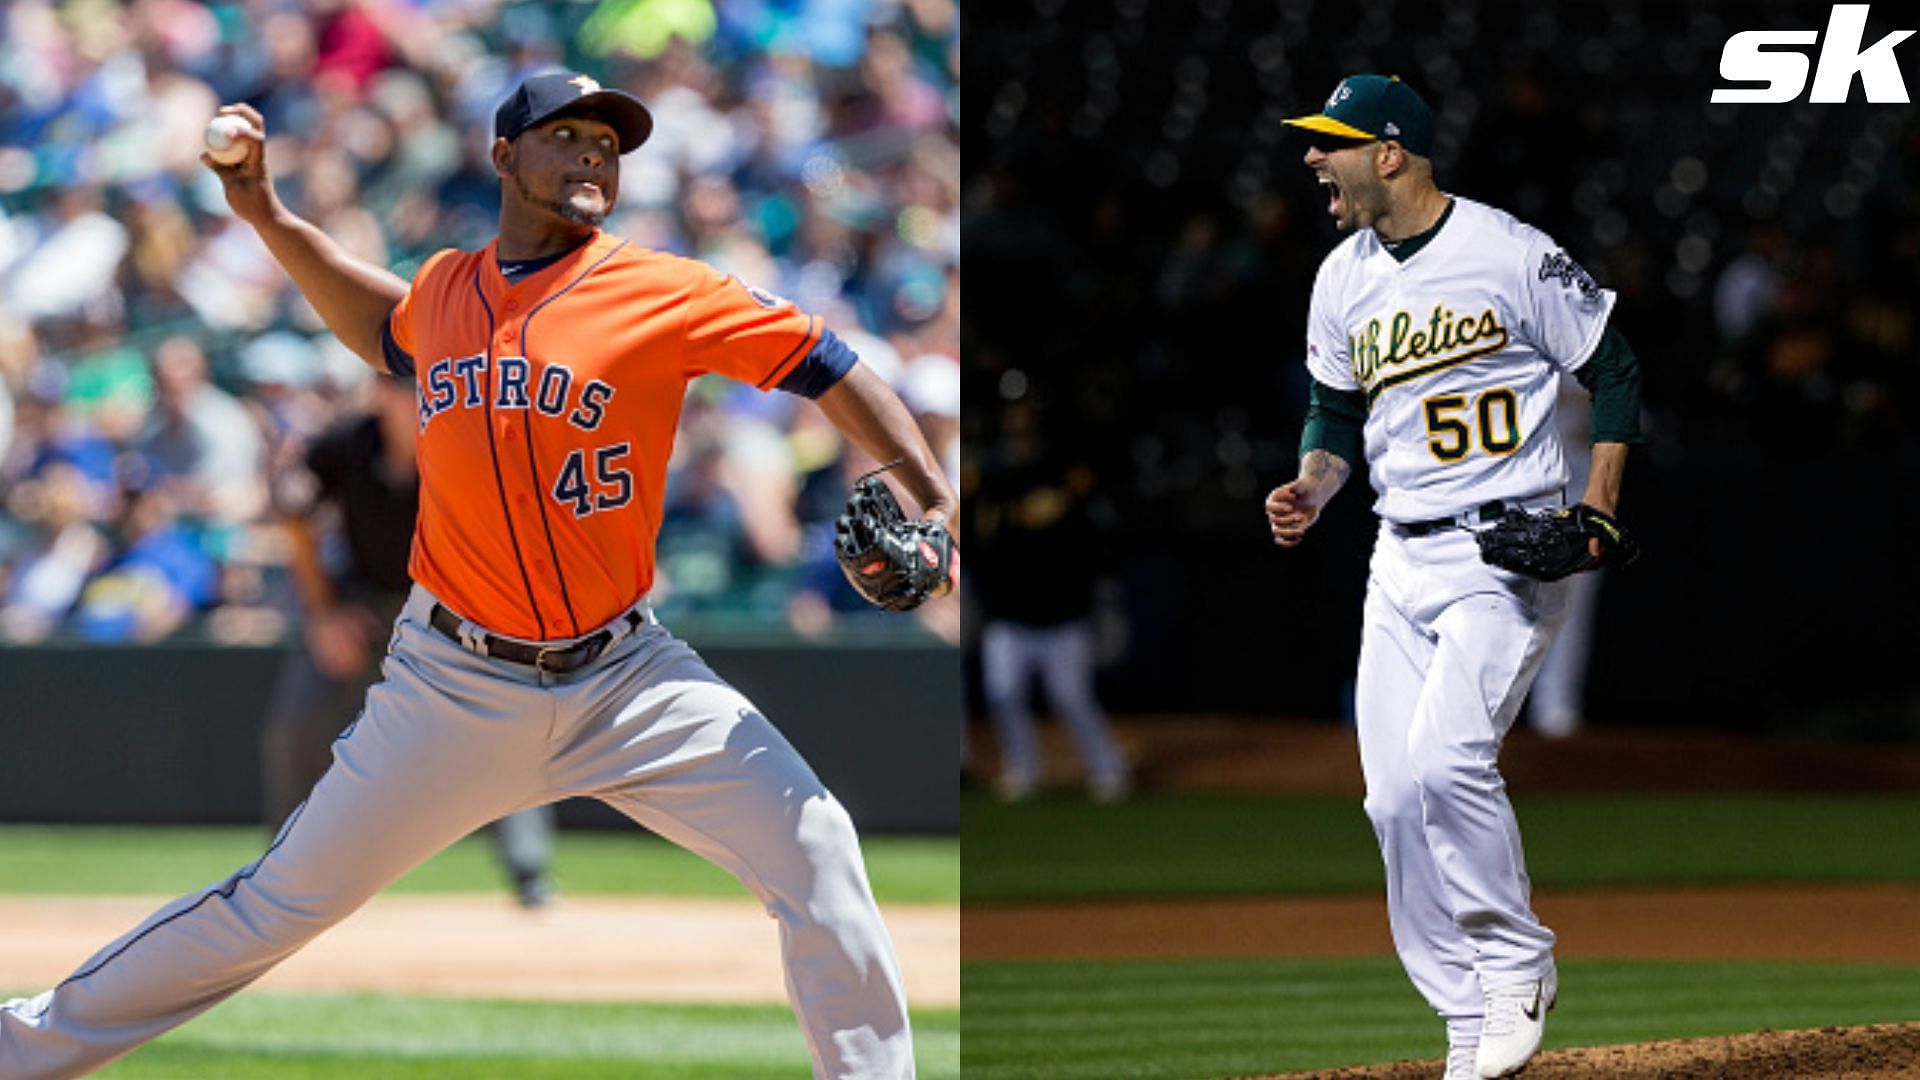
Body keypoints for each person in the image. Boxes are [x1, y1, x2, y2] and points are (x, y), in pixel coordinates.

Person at [0, 71, 955, 1080]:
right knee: (274, 905)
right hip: (449, 684)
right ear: (505, 156)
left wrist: (928, 495)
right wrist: (269, 215)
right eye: (568, 134)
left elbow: (829, 360)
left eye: (608, 142)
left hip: (630, 679)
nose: (595, 152)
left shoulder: (663, 289)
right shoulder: (449, 292)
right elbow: (377, 318)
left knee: (816, 845)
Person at [1264, 75, 1641, 1080]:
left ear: (1391, 151)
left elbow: (1616, 367)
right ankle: (1464, 1012)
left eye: (1330, 143)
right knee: (1390, 799)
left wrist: (1598, 504)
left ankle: (1517, 962)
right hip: (1399, 553)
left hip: (1503, 551)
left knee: (1444, 764)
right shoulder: (1341, 276)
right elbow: (1334, 412)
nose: (1312, 158)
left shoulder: (1505, 250)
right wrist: (1312, 484)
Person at [262, 372, 557, 907]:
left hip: (458, 606)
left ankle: (529, 872)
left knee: (495, 729)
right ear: (379, 393)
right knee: (302, 720)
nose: (420, 398)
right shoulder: (346, 444)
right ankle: (281, 873)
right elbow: (293, 515)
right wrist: (324, 613)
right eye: (405, 387)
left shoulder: (469, 442)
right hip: (366, 603)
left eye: (427, 387)